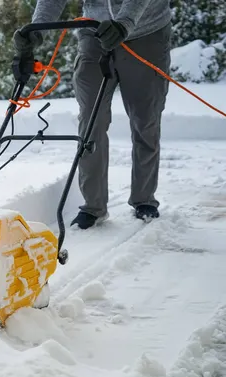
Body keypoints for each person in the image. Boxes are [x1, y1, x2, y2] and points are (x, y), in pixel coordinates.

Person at [13, 0, 173, 229]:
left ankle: (144, 199)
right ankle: (93, 206)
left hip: (146, 33)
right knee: (91, 119)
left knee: (145, 119)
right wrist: (37, 29)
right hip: (95, 33)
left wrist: (124, 23)